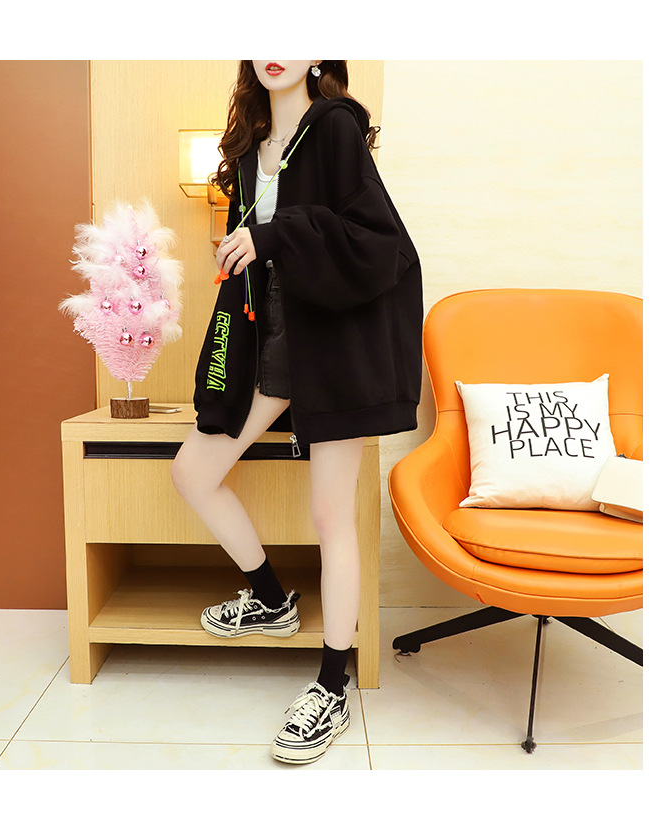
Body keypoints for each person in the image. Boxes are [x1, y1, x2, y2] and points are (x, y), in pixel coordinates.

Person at [171, 60, 422, 764]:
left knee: (330, 517)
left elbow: (379, 241)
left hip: (333, 347)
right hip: (271, 344)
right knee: (192, 473)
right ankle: (272, 601)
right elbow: (245, 264)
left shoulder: (334, 126)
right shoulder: (248, 149)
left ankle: (332, 685)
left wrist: (278, 234)